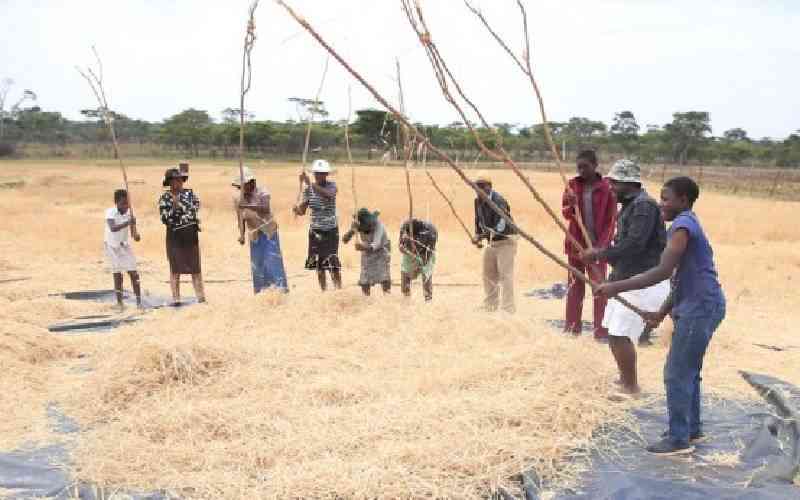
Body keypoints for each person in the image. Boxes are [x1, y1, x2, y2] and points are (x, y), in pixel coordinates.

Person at [596, 176, 725, 456]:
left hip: (700, 307)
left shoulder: (681, 226)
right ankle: (691, 429)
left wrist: (615, 286)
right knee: (689, 371)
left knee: (676, 372)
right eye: (661, 198)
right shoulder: (684, 224)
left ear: (684, 200)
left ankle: (679, 440)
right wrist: (661, 312)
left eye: (666, 199)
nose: (661, 204)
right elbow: (679, 278)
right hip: (698, 304)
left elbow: (663, 272)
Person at [582, 160, 668, 396]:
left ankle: (631, 386)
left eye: (614, 183)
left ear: (630, 183)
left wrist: (600, 253)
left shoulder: (644, 207)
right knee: (613, 331)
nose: (610, 188)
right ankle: (625, 379)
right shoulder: (631, 205)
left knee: (620, 333)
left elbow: (635, 244)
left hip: (640, 280)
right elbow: (625, 244)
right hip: (627, 277)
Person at [562, 149, 617, 339]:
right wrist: (570, 204)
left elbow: (611, 221)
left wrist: (601, 248)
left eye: (585, 167)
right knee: (574, 286)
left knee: (600, 289)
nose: (582, 171)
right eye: (579, 167)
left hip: (598, 248)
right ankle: (572, 327)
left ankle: (601, 330)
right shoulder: (572, 186)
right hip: (576, 246)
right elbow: (566, 214)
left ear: (595, 166)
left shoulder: (608, 188)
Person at [233, 166, 288, 294]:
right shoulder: (238, 199)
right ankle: (261, 292)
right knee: (258, 265)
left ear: (252, 182)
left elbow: (265, 208)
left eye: (244, 185)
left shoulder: (263, 191)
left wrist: (246, 205)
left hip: (268, 232)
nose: (242, 189)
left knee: (272, 261)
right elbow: (241, 219)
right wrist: (241, 234)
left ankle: (279, 291)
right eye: (240, 187)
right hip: (254, 235)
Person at [158, 168, 206, 305]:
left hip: (190, 234)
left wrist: (181, 207)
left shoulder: (189, 194)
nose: (179, 183)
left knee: (196, 269)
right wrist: (173, 208)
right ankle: (176, 299)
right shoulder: (165, 198)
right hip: (175, 236)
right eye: (175, 180)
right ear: (170, 182)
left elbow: (195, 206)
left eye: (180, 180)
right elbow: (164, 218)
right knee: (175, 269)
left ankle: (201, 298)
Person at [293, 159, 342, 291]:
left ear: (326, 174)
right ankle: (324, 290)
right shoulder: (309, 190)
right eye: (317, 173)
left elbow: (328, 196)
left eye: (321, 173)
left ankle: (338, 289)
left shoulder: (332, 186)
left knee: (332, 261)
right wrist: (296, 209)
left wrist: (310, 184)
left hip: (330, 230)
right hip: (315, 231)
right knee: (319, 264)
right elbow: (303, 211)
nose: (319, 176)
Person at [472, 172, 517, 313]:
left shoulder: (499, 201)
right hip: (492, 242)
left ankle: (508, 309)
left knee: (505, 275)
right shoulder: (477, 201)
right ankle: (490, 305)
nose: (478, 190)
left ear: (489, 187)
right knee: (488, 274)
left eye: (481, 186)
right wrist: (477, 235)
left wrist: (483, 235)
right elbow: (478, 221)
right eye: (476, 187)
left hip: (506, 241)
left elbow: (501, 227)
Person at [104, 189, 142, 310]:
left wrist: (136, 236)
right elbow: (113, 228)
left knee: (134, 273)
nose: (126, 206)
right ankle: (120, 303)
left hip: (124, 245)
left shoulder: (129, 214)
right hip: (111, 245)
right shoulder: (110, 212)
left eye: (127, 203)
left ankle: (139, 302)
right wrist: (128, 222)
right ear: (116, 202)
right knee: (118, 274)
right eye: (123, 203)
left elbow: (134, 236)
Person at [343, 208, 391, 296]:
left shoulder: (378, 225)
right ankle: (366, 299)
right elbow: (344, 240)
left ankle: (387, 297)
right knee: (364, 279)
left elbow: (376, 244)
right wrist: (352, 231)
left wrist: (362, 247)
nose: (370, 226)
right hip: (366, 252)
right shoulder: (357, 225)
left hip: (381, 251)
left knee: (384, 276)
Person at [399, 218, 438, 301]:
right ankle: (406, 295)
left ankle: (428, 297)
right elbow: (400, 247)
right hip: (409, 253)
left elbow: (426, 258)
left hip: (425, 253)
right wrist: (409, 252)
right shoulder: (404, 227)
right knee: (405, 272)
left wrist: (420, 264)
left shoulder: (430, 233)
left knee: (426, 274)